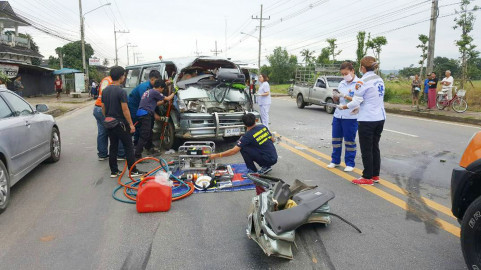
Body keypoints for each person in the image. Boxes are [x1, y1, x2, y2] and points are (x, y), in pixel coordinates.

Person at [337, 56, 386, 185]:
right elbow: (370, 99)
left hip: (368, 119)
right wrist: (358, 109)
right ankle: (375, 175)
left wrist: (344, 106)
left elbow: (357, 100)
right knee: (375, 147)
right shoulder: (379, 79)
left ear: (362, 68)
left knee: (366, 148)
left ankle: (367, 176)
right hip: (380, 117)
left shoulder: (362, 82)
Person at [208, 113, 277, 193]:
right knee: (253, 146)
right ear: (255, 120)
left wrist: (216, 155)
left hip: (267, 159)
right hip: (274, 157)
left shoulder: (247, 136)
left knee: (243, 148)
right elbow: (273, 140)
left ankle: (252, 171)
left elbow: (233, 151)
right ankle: (266, 166)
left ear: (244, 124)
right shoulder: (263, 127)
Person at [101, 66, 143, 178]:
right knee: (128, 146)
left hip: (110, 123)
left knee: (113, 146)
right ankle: (133, 171)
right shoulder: (121, 91)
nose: (124, 77)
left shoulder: (105, 91)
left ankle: (114, 171)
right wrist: (130, 124)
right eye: (124, 75)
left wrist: (107, 117)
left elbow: (103, 108)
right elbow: (125, 109)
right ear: (121, 77)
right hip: (121, 124)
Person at [327, 62, 359, 172]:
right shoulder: (342, 83)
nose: (345, 76)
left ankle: (350, 163)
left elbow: (357, 100)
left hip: (350, 117)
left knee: (349, 141)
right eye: (343, 74)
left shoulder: (358, 84)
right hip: (338, 115)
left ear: (352, 71)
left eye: (346, 73)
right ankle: (335, 160)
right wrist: (335, 97)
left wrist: (344, 95)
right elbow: (339, 99)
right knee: (336, 139)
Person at [134, 79, 175, 160]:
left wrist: (163, 102)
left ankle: (146, 149)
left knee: (148, 133)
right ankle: (137, 155)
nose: (162, 91)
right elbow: (167, 98)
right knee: (144, 135)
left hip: (141, 114)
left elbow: (154, 103)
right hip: (145, 115)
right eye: (162, 89)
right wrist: (174, 92)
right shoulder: (155, 92)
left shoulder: (149, 91)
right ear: (159, 87)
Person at [93, 75, 125, 161]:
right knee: (117, 130)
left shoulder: (105, 79)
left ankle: (102, 154)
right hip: (104, 108)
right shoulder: (112, 82)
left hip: (98, 107)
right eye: (123, 76)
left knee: (102, 132)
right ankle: (121, 153)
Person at [128, 70, 162, 146]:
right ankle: (136, 143)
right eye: (156, 81)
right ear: (152, 79)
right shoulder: (144, 87)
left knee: (148, 125)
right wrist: (154, 114)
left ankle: (147, 144)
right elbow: (147, 103)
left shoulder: (153, 87)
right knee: (138, 125)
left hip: (144, 107)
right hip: (135, 106)